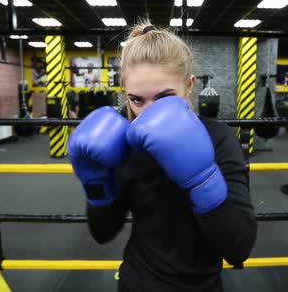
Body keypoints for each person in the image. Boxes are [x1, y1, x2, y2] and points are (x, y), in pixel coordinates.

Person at [68, 21, 257, 291]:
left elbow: (239, 248)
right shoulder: (122, 142)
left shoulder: (219, 139)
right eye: (137, 100)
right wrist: (95, 182)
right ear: (125, 91)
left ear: (189, 86)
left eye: (165, 97)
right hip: (138, 281)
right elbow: (103, 233)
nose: (150, 114)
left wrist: (204, 180)